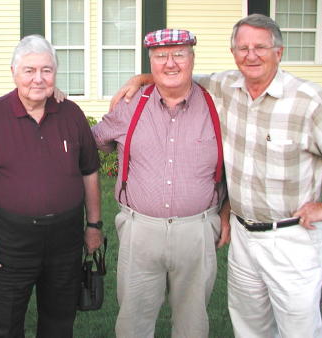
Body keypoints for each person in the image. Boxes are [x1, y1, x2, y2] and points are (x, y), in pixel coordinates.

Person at [112, 14, 322, 338]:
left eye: (261, 47)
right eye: (243, 47)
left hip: (291, 236)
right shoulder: (226, 88)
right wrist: (142, 78)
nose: (251, 55)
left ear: (279, 52)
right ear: (233, 52)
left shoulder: (307, 99)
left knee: (298, 327)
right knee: (250, 328)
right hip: (243, 235)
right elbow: (174, 74)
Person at [92, 29, 229, 338]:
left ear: (193, 59)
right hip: (140, 231)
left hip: (197, 230)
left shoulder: (218, 103)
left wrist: (227, 209)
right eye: (160, 56)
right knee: (133, 323)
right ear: (150, 63)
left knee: (193, 324)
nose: (170, 63)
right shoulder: (130, 105)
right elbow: (95, 140)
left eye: (179, 54)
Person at [0, 34, 103, 338]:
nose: (38, 78)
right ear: (14, 72)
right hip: (10, 241)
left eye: (47, 70)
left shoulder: (71, 114)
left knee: (59, 322)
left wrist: (93, 225)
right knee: (5, 323)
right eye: (29, 70)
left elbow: (90, 172)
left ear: (55, 74)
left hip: (65, 239)